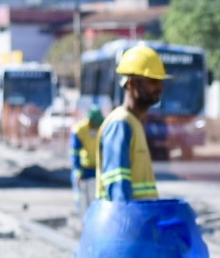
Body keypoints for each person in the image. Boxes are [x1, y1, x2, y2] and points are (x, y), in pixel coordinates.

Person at [97, 45, 166, 202]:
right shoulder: (120, 124)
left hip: (138, 222)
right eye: (153, 81)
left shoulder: (133, 122)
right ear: (132, 84)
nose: (160, 87)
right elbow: (117, 187)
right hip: (126, 223)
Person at [70, 106, 104, 216]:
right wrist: (78, 171)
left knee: (96, 198)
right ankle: (84, 219)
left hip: (97, 169)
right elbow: (75, 153)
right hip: (83, 169)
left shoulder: (100, 129)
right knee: (83, 198)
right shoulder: (80, 130)